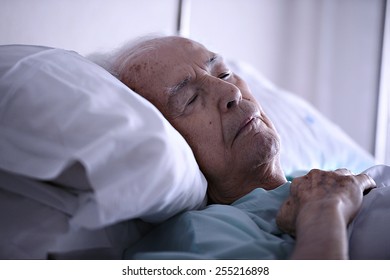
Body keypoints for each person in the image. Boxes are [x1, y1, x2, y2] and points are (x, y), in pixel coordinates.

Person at [100, 35, 378, 259]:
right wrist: (324, 212)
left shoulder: (317, 179)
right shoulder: (198, 239)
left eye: (223, 74)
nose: (231, 92)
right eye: (190, 99)